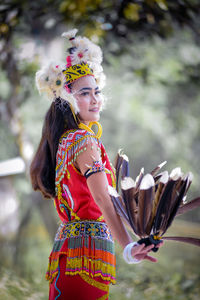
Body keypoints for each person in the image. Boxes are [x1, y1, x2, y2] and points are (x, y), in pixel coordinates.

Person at [30, 29, 162, 300]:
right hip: (86, 258)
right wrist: (127, 247)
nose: (95, 99)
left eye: (97, 91)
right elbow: (102, 198)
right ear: (68, 100)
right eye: (85, 93)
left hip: (71, 252)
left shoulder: (65, 141)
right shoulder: (83, 140)